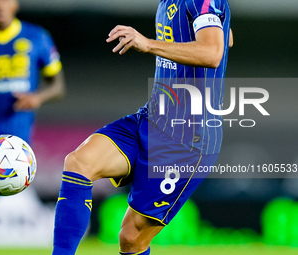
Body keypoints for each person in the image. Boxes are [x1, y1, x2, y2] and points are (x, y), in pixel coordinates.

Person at [53, 0, 232, 254]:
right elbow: (225, 37)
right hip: (151, 119)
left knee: (131, 237)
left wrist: (147, 43)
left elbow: (213, 53)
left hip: (186, 139)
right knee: (79, 162)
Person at [0, 0, 65, 254]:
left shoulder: (36, 37)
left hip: (18, 131)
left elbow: (58, 85)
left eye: (4, 0)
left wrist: (37, 98)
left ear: (15, 4)